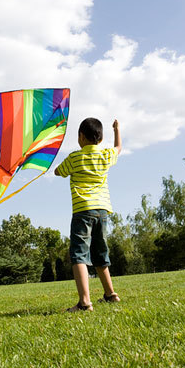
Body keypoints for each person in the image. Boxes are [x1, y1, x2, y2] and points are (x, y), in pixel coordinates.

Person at [54, 117, 122, 312]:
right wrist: (117, 129)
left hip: (83, 210)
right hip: (102, 211)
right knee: (100, 253)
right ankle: (110, 294)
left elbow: (58, 172)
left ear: (81, 137)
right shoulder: (105, 155)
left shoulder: (75, 158)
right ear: (100, 139)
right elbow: (118, 148)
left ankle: (85, 302)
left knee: (79, 255)